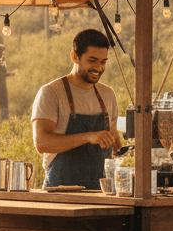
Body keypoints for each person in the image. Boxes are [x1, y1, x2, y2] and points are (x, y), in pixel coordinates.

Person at [32, 28, 123, 190]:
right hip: (61, 193)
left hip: (100, 192)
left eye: (103, 62)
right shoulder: (51, 92)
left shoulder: (108, 94)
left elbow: (114, 140)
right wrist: (88, 137)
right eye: (92, 60)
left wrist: (120, 148)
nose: (99, 68)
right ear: (75, 57)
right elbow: (41, 143)